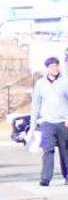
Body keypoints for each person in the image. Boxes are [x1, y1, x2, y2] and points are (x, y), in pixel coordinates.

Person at [30, 56, 68, 186]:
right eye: (52, 66)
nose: (55, 68)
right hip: (47, 122)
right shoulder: (40, 84)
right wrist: (32, 125)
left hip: (63, 122)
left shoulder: (65, 82)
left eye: (57, 65)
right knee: (48, 149)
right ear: (47, 68)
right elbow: (35, 105)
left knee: (66, 151)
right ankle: (45, 178)